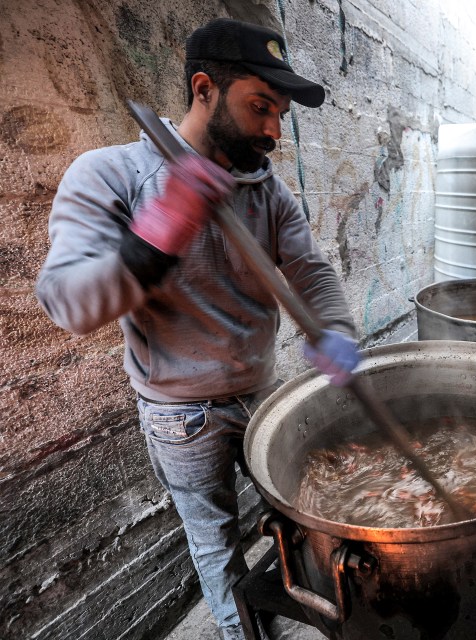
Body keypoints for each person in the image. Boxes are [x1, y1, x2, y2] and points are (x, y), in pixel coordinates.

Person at [35, 18, 359, 640]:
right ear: (205, 88)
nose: (272, 130)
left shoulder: (270, 193)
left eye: (281, 114)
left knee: (303, 519)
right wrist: (162, 229)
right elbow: (69, 304)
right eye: (260, 106)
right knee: (218, 549)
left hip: (261, 394)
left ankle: (321, 617)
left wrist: (335, 328)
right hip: (181, 416)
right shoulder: (112, 175)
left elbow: (310, 272)